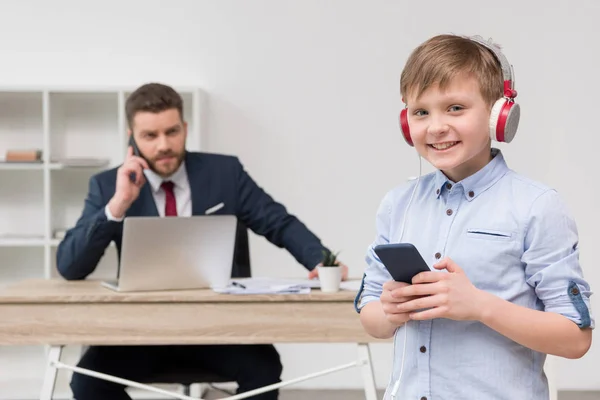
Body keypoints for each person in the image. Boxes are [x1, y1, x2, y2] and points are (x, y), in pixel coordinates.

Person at [56, 82, 348, 400]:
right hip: (142, 331)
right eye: (150, 136)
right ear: (132, 137)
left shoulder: (225, 173)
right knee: (86, 382)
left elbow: (277, 222)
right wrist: (119, 204)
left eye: (172, 132)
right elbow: (70, 266)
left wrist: (321, 260)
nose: (163, 145)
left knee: (264, 369)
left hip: (218, 326)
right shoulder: (107, 186)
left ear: (185, 128)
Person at [354, 34, 593, 400]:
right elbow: (371, 316)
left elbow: (576, 338)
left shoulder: (537, 206)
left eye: (455, 108)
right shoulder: (396, 204)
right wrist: (390, 311)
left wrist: (479, 306)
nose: (435, 126)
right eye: (421, 112)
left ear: (499, 115)